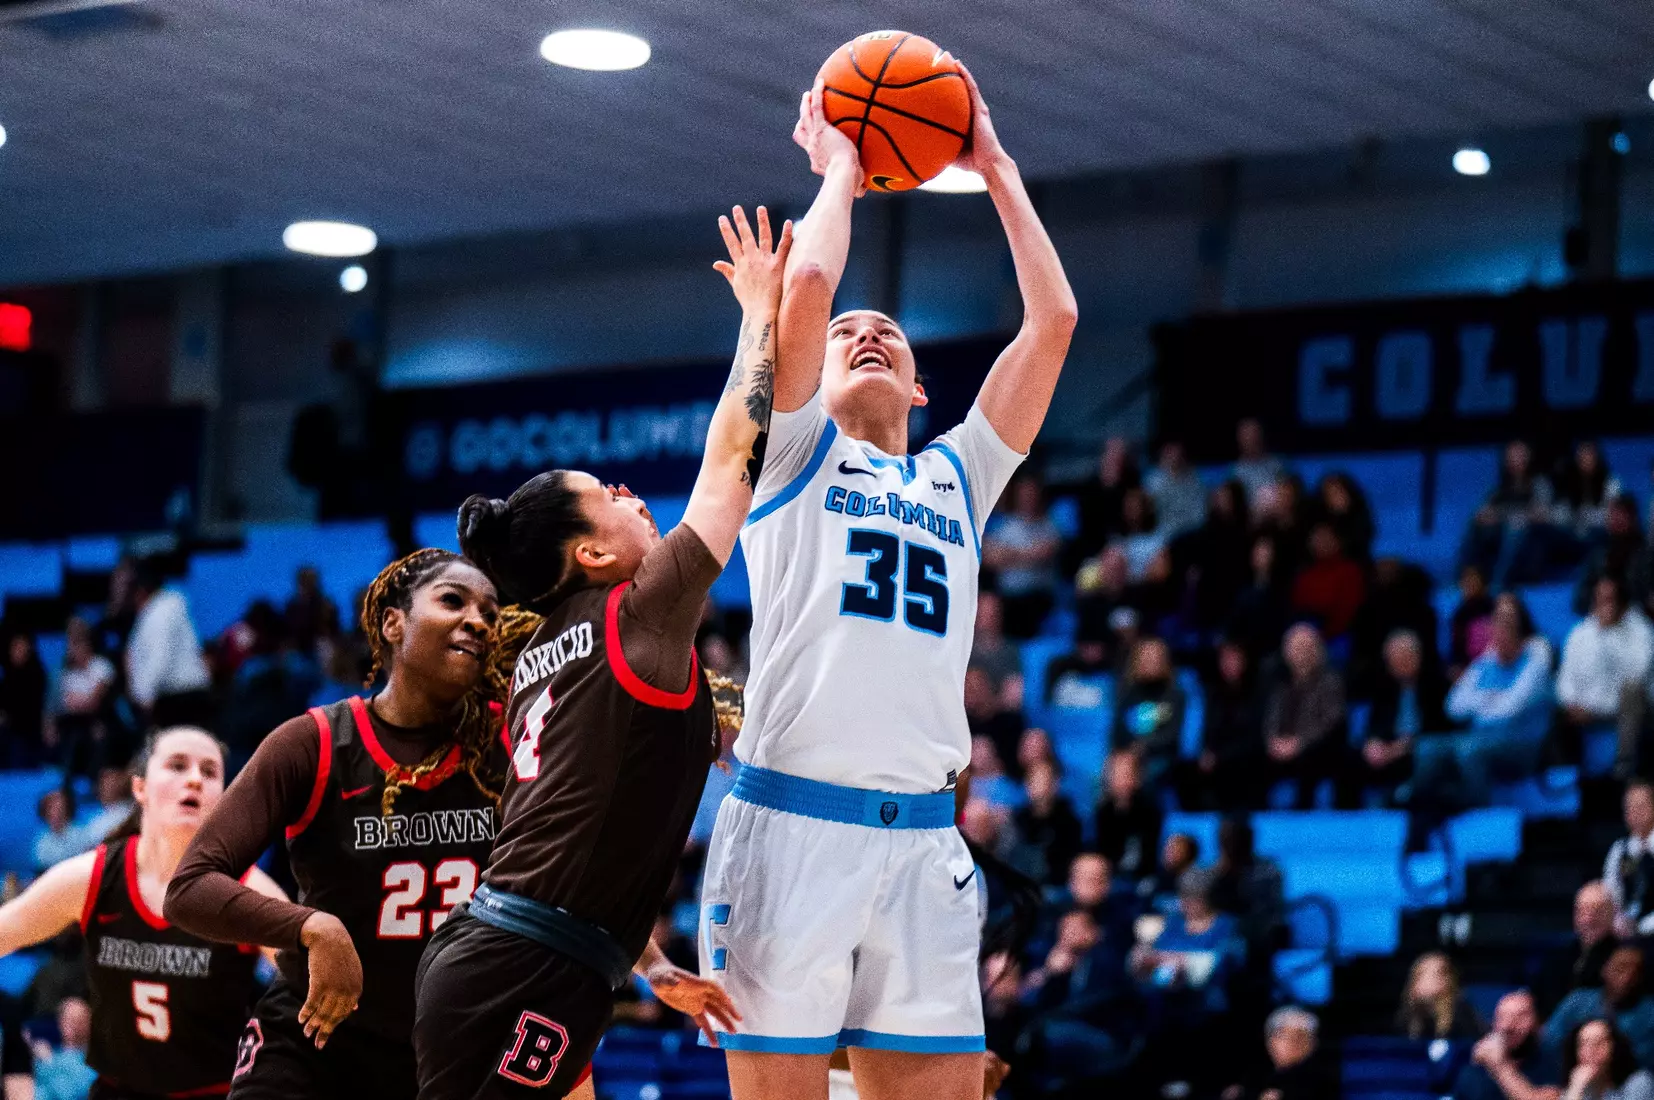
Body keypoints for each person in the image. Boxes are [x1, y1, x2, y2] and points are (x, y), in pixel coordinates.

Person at [694, 64, 1076, 1100]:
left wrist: (993, 163)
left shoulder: (959, 473)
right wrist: (844, 162)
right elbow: (808, 291)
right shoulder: (790, 450)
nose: (865, 332)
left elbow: (1053, 325)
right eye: (850, 334)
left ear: (917, 387)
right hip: (791, 832)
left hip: (923, 842)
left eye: (890, 335)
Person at [410, 202, 784, 1100]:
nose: (625, 488)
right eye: (604, 491)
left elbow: (577, 833)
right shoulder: (636, 612)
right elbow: (736, 450)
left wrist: (651, 967)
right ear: (593, 555)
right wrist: (761, 315)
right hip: (526, 969)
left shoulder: (548, 647)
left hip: (521, 955)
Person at [164, 550, 526, 1099]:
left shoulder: (513, 746)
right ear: (392, 623)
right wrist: (313, 927)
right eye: (453, 600)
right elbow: (190, 888)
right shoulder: (312, 744)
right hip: (316, 1038)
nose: (477, 620)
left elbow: (576, 875)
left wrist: (652, 962)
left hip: (453, 1050)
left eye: (491, 614)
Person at [0, 727, 285, 1099]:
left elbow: (328, 985)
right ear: (140, 788)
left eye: (210, 772)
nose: (195, 779)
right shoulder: (92, 878)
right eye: (178, 766)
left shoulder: (245, 889)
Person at [1412, 593, 1555, 812]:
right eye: (1495, 631)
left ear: (1519, 634)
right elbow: (1453, 706)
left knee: (1469, 749)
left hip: (1523, 746)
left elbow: (1509, 709)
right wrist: (1489, 698)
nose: (1498, 638)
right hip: (1481, 739)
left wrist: (1481, 701)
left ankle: (1476, 808)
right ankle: (1417, 807)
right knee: (1427, 748)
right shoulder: (1487, 660)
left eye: (1506, 630)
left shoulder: (1534, 660)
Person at [1556, 577, 1652, 777]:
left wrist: (1607, 635)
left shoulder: (1640, 631)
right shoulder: (1580, 633)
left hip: (1626, 710)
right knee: (1555, 710)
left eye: (1609, 599)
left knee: (1632, 693)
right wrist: (1572, 704)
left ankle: (1624, 771)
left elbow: (1636, 676)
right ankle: (1566, 782)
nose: (1604, 605)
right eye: (1600, 599)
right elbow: (1565, 679)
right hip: (1585, 711)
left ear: (1622, 603)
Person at [1349, 630, 1449, 804]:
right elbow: (1375, 724)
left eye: (1403, 658)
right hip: (1389, 749)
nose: (1397, 665)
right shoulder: (1385, 687)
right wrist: (1372, 743)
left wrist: (1400, 748)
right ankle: (1348, 820)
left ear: (1417, 657)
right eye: (1392, 660)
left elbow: (1439, 728)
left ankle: (1402, 801)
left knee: (1424, 756)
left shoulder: (1437, 685)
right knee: (1349, 758)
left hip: (1420, 748)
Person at [1260, 624, 1347, 809]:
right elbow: (1271, 720)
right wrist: (1273, 742)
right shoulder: (1282, 686)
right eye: (1295, 648)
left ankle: (1301, 815)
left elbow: (1331, 723)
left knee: (1311, 761)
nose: (1301, 654)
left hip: (1315, 748)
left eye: (1306, 648)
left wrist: (1299, 743)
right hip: (1284, 748)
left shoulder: (1330, 682)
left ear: (1317, 651)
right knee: (1252, 758)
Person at [125, 563, 213, 729]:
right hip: (181, 698)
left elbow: (160, 655)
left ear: (140, 589)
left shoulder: (161, 611)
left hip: (181, 699)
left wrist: (144, 695)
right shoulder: (161, 610)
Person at [1546, 947, 1654, 1070]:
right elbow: (1550, 1040)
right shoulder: (1578, 1000)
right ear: (1605, 970)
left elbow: (1642, 1061)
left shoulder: (1650, 1013)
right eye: (1620, 969)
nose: (1627, 978)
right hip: (1572, 1074)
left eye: (1635, 972)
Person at [982, 471, 1061, 639]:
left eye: (1032, 493)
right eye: (1024, 493)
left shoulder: (1049, 525)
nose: (1028, 498)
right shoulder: (1005, 526)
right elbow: (989, 558)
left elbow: (1044, 553)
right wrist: (1028, 553)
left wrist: (1009, 555)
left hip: (1039, 597)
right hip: (1008, 598)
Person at [1109, 636, 1186, 787]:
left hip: (1161, 758)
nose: (1151, 661)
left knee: (1142, 778)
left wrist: (1143, 747)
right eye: (1146, 656)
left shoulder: (1175, 696)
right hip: (1128, 757)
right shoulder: (1126, 694)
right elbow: (1118, 732)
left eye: (1155, 656)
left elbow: (1171, 736)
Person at [1455, 989, 1560, 1100]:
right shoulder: (1475, 1072)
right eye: (1502, 1017)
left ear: (1540, 1025)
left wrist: (1499, 1065)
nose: (1507, 1026)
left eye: (1520, 1017)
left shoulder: (1555, 1063)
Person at [49, 617, 119, 778]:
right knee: (71, 739)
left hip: (103, 720)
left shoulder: (102, 666)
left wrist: (83, 700)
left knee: (99, 735)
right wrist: (84, 699)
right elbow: (67, 704)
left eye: (77, 645)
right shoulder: (69, 673)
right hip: (75, 724)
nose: (73, 650)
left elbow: (95, 702)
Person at [1538, 883, 1621, 1014]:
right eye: (1582, 911)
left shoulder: (1623, 956)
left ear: (1612, 914)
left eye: (1597, 911)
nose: (1588, 919)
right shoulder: (1559, 956)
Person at [1221, 1006, 1330, 1100]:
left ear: (1314, 1044)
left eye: (1302, 1037)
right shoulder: (1255, 1076)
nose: (1295, 1043)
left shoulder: (1317, 1080)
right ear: (1270, 1040)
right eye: (1287, 1036)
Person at [1008, 760, 1082, 887]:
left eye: (1046, 781)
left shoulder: (1070, 821)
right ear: (1027, 786)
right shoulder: (1016, 820)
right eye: (1035, 782)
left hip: (1059, 886)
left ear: (1056, 784)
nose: (1041, 788)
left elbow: (1071, 862)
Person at [1289, 523, 1367, 640]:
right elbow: (1296, 607)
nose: (1321, 543)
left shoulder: (1350, 571)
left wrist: (1325, 633)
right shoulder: (1304, 573)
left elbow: (1348, 610)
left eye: (1326, 538)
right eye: (1317, 538)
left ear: (1338, 541)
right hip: (1306, 631)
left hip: (1338, 634)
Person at [1094, 752, 1162, 881]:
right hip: (1107, 880)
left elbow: (1151, 856)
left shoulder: (1151, 812)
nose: (1122, 780)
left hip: (1144, 879)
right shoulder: (1101, 814)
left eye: (1127, 774)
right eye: (1117, 774)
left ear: (1138, 777)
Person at [1558, 1019, 1654, 1100]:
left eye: (1599, 1043)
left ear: (1615, 1049)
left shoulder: (1639, 1083)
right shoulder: (1577, 1085)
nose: (1591, 1051)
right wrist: (1575, 1090)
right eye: (1584, 1044)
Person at [1605, 782, 1654, 938]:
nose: (1635, 812)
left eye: (1641, 806)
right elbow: (1611, 894)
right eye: (1629, 807)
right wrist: (1620, 922)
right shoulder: (1619, 850)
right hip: (1626, 933)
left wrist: (1644, 926)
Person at [1397, 951, 1481, 1040]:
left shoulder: (1461, 1011)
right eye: (1418, 975)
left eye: (1427, 975)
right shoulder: (1407, 1016)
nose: (1420, 982)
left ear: (1446, 980)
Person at [32, 996, 96, 1100]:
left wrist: (47, 1062)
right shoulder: (51, 1051)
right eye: (66, 1018)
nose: (72, 1025)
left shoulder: (91, 1061)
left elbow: (68, 1095)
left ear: (88, 1023)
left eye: (78, 1020)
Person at [0, 632, 47, 769]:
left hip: (28, 728)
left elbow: (32, 707)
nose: (17, 651)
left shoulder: (37, 673)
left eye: (21, 646)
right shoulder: (6, 673)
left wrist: (6, 716)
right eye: (14, 646)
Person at [1450, 564, 1497, 682]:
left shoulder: (1496, 608)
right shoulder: (1460, 615)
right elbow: (1457, 650)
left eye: (1473, 578)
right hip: (1470, 669)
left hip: (1497, 662)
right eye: (1466, 579)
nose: (1469, 583)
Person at [31, 790, 88, 874]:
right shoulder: (41, 840)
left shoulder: (80, 834)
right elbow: (40, 870)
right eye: (51, 808)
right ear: (45, 812)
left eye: (60, 808)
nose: (56, 812)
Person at [1231, 419, 1285, 501]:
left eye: (1254, 434)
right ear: (1240, 440)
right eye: (1247, 436)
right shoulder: (1235, 473)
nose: (1252, 439)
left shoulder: (1276, 464)